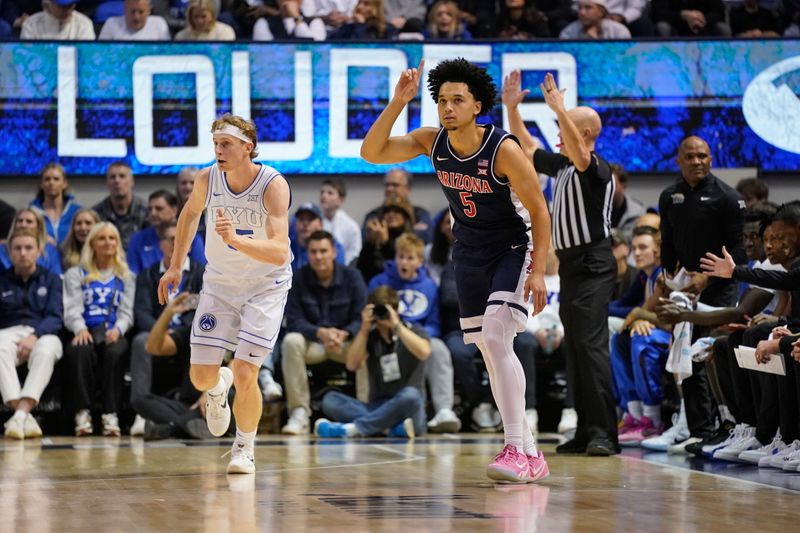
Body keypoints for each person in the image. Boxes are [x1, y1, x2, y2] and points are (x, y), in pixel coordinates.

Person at [361, 58, 551, 483]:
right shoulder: (433, 142)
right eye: (442, 100)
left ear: (477, 105)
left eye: (457, 100)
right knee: (488, 346)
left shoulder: (503, 149)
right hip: (467, 252)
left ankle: (515, 447)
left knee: (498, 334)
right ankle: (530, 450)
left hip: (511, 247)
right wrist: (397, 102)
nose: (447, 108)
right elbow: (371, 152)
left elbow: (540, 211)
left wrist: (538, 271)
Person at [158, 113, 292, 475]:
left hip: (266, 286)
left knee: (246, 371)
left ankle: (244, 447)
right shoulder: (207, 178)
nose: (218, 150)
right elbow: (188, 216)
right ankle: (217, 390)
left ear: (248, 147)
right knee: (200, 377)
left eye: (226, 144)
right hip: (220, 283)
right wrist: (175, 265)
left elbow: (280, 251)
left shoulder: (272, 185)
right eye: (216, 144)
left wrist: (236, 240)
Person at [504, 69, 619, 456]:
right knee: (576, 350)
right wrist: (511, 110)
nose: (558, 131)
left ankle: (605, 431)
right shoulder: (564, 167)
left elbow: (583, 153)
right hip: (571, 266)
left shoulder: (596, 169)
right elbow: (525, 146)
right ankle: (586, 429)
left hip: (593, 264)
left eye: (565, 126)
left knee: (591, 348)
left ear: (584, 134)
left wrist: (560, 109)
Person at [657, 135, 746, 454]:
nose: (697, 161)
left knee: (706, 354)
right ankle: (699, 430)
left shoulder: (727, 197)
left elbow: (741, 250)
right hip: (682, 290)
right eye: (690, 156)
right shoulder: (669, 196)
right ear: (678, 160)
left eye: (703, 156)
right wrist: (666, 280)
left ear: (711, 159)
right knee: (685, 357)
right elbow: (667, 245)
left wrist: (706, 281)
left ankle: (725, 427)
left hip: (720, 290)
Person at [367, 232, 461, 433]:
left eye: (410, 258)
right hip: (384, 334)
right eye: (400, 256)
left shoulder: (429, 286)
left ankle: (444, 410)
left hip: (417, 336)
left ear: (420, 261)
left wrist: (416, 335)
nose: (404, 262)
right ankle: (371, 410)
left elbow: (435, 323)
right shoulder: (379, 282)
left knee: (438, 348)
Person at [280, 230, 367, 435]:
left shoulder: (352, 277)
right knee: (291, 341)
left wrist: (344, 333)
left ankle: (366, 410)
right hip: (313, 344)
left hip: (344, 344)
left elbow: (360, 316)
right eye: (313, 252)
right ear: (307, 253)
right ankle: (300, 412)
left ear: (334, 252)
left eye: (323, 251)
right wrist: (320, 333)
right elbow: (294, 320)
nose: (318, 256)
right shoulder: (298, 279)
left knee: (365, 341)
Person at [314, 286, 428, 439]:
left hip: (408, 408)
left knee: (411, 395)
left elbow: (424, 352)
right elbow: (352, 365)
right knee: (330, 400)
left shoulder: (414, 330)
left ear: (396, 310)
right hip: (377, 406)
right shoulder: (370, 336)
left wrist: (396, 325)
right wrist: (364, 329)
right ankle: (389, 428)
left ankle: (354, 429)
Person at [63, 222, 135, 437]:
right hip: (85, 329)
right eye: (102, 238)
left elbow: (127, 312)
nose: (108, 242)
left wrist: (119, 329)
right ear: (92, 243)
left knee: (115, 352)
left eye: (112, 238)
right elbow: (71, 308)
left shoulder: (126, 276)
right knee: (79, 350)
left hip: (113, 331)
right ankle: (82, 413)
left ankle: (110, 414)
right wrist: (79, 329)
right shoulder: (76, 274)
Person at [0, 228, 63, 440]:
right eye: (17, 248)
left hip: (43, 332)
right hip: (8, 333)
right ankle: (23, 416)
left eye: (28, 248)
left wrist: (35, 335)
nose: (23, 253)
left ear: (39, 251)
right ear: (9, 251)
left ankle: (19, 414)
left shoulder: (52, 279)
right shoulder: (1, 279)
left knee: (47, 349)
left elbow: (56, 316)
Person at [126, 190, 206, 275]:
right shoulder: (137, 239)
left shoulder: (192, 238)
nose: (153, 213)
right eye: (150, 209)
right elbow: (132, 275)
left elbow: (200, 273)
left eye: (159, 209)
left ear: (174, 210)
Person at [92, 161, 149, 249]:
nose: (117, 181)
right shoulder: (97, 213)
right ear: (107, 183)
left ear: (132, 182)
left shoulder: (146, 211)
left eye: (122, 176)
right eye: (112, 177)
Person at [29, 162, 82, 246]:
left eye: (56, 179)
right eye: (47, 179)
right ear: (41, 184)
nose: (51, 183)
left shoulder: (78, 212)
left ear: (64, 184)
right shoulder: (31, 213)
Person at [0, 209, 62, 276]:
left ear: (39, 226)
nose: (23, 225)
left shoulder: (51, 251)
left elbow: (57, 277)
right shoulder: (2, 249)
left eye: (29, 221)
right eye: (20, 221)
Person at [319, 179, 362, 265]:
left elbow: (354, 253)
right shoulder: (314, 222)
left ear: (341, 200)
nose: (324, 196)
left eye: (330, 193)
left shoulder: (351, 226)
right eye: (322, 192)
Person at [20, 0, 95, 39]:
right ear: (47, 4)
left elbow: (87, 59)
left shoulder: (84, 24)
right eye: (62, 6)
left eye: (71, 5)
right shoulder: (31, 25)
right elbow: (27, 60)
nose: (68, 10)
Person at [98, 0, 171, 39]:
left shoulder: (159, 24)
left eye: (141, 12)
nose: (136, 17)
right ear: (125, 10)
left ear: (149, 11)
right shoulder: (111, 24)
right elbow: (101, 54)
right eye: (132, 12)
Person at [559, 0, 631, 39]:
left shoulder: (619, 31)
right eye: (580, 8)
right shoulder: (568, 32)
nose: (582, 13)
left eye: (588, 8)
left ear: (601, 12)